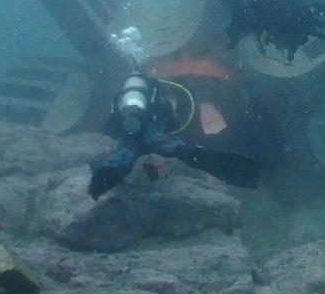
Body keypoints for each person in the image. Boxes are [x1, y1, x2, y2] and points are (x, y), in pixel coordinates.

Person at [89, 72, 261, 200]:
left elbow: (112, 122)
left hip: (129, 129)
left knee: (126, 152)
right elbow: (169, 116)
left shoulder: (122, 96)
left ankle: (104, 178)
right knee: (177, 150)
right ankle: (226, 166)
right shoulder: (155, 89)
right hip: (154, 129)